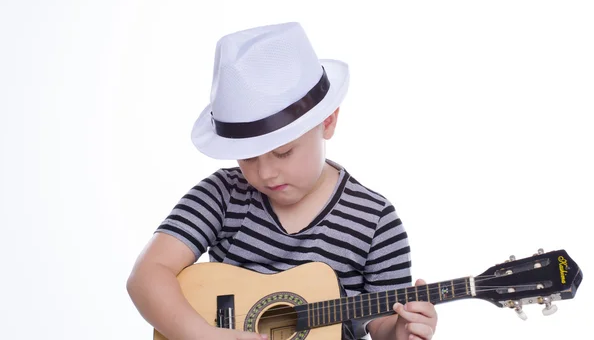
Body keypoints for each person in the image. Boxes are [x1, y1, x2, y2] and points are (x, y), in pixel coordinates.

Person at [127, 22, 438, 340]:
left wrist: (402, 331)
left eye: (283, 152)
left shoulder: (375, 221)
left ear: (327, 121)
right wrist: (204, 334)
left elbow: (384, 325)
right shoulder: (221, 195)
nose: (265, 173)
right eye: (248, 156)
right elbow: (147, 274)